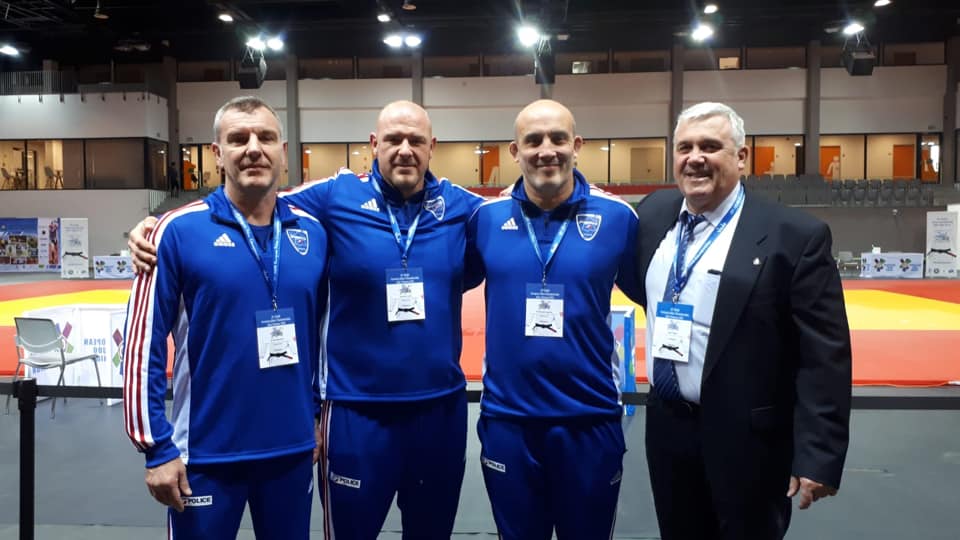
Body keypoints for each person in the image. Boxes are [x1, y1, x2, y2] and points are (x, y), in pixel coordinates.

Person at [128, 100, 484, 539]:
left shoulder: (464, 207)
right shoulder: (334, 198)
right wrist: (154, 226)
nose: (405, 150)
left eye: (416, 140)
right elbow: (256, 199)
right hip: (341, 416)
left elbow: (518, 213)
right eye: (393, 139)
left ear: (433, 146)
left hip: (416, 418)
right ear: (374, 145)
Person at [635, 102, 851, 540]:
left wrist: (819, 453)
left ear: (741, 157)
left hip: (749, 438)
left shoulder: (793, 235)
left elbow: (824, 354)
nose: (695, 158)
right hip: (667, 428)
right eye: (685, 147)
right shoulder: (654, 214)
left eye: (710, 146)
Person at [123, 96, 328, 540]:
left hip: (292, 451)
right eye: (238, 139)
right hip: (205, 455)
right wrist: (156, 447)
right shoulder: (176, 231)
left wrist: (314, 415)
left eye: (265, 138)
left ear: (283, 152)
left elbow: (319, 336)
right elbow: (142, 345)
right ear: (217, 154)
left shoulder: (313, 232)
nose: (253, 148)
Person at [464, 99, 643, 539]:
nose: (547, 150)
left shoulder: (618, 218)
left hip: (591, 419)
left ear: (576, 145)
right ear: (515, 151)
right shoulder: (485, 219)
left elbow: (654, 293)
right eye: (533, 141)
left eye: (558, 139)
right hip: (508, 422)